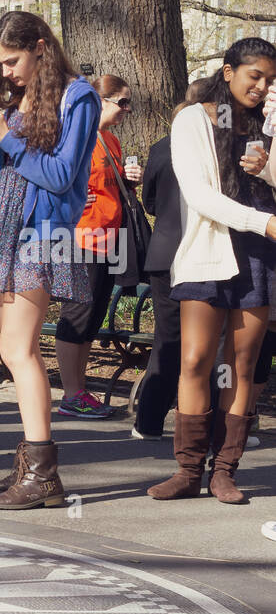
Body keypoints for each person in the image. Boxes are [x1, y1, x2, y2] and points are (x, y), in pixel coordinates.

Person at [0, 11, 101, 509]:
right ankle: (31, 465)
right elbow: (0, 169)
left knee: (20, 350)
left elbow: (63, 175)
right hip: (6, 230)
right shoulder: (22, 97)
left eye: (12, 60)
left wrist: (5, 136)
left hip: (39, 236)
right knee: (11, 349)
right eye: (0, 64)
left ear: (41, 47)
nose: (5, 72)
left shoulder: (77, 95)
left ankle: (43, 474)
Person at [148, 37, 276, 505]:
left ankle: (224, 472)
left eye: (270, 79)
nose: (262, 87)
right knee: (195, 361)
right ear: (228, 72)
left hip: (261, 256)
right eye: (254, 76)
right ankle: (186, 470)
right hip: (210, 249)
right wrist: (263, 221)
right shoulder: (191, 119)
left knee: (243, 366)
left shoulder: (269, 123)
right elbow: (199, 196)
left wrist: (266, 168)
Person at [54, 74, 142, 421]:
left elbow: (111, 188)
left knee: (91, 318)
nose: (126, 109)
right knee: (75, 315)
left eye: (127, 103)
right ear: (99, 101)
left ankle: (80, 390)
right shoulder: (76, 137)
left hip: (110, 239)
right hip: (81, 239)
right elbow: (59, 179)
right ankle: (71, 393)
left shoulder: (111, 141)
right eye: (121, 102)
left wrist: (130, 181)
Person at [132, 80, 209, 440]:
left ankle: (148, 421)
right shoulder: (215, 145)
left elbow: (149, 202)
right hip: (202, 251)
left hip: (164, 251)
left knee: (169, 338)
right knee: (211, 340)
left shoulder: (161, 147)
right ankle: (205, 424)